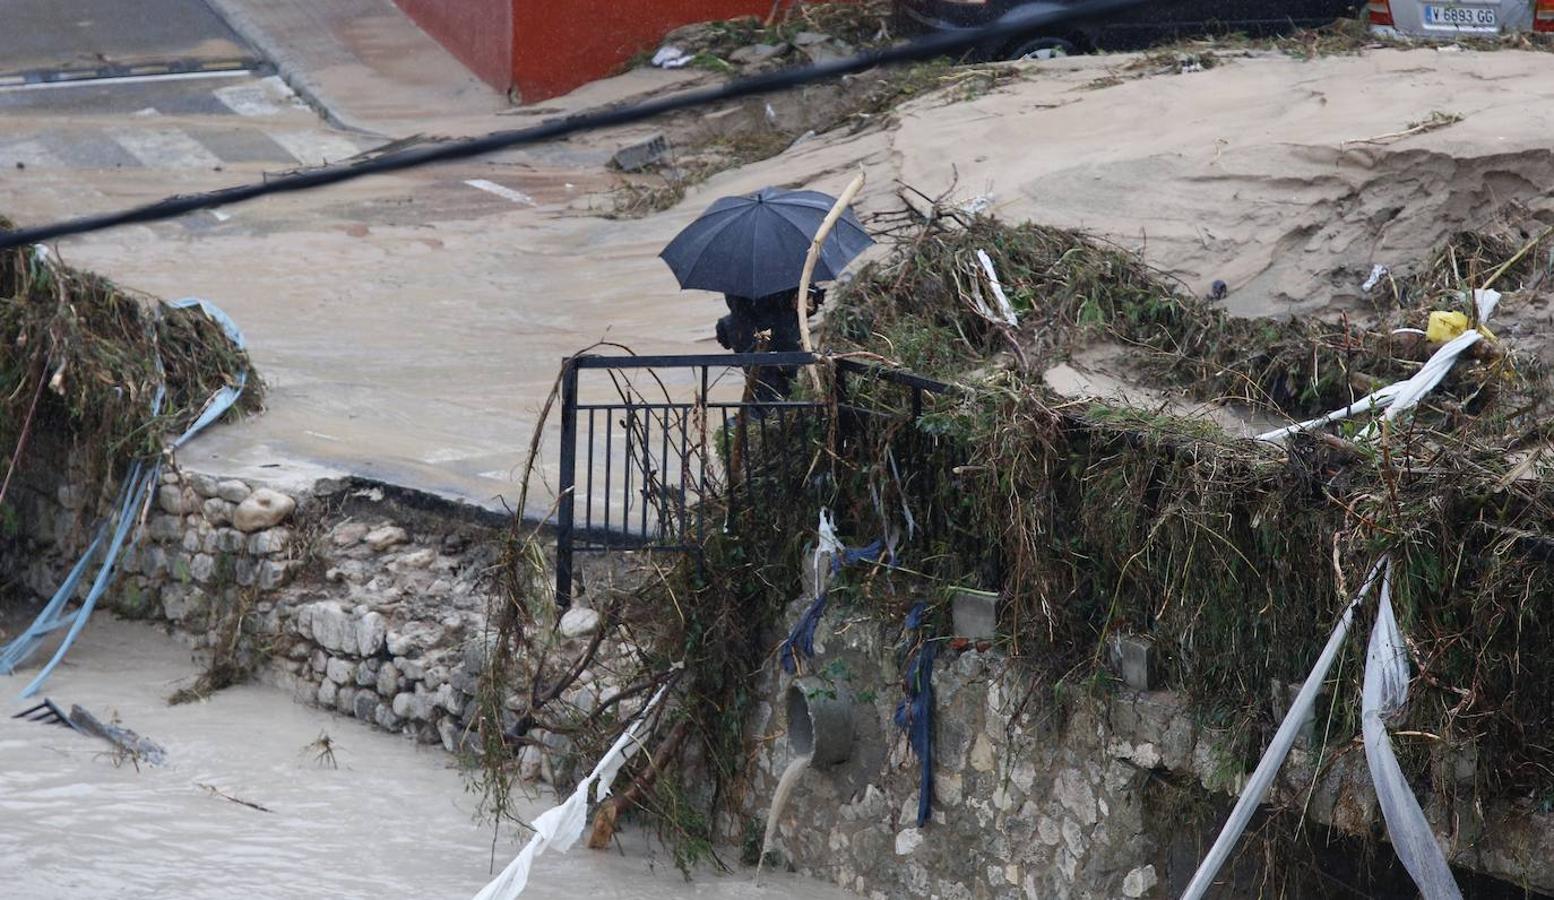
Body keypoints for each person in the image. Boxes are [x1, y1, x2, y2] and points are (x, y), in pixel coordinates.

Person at [715, 285, 825, 402]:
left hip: (777, 343)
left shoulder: (740, 279)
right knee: (770, 393)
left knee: (771, 392)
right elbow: (741, 306)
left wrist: (808, 299)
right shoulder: (750, 284)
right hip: (770, 342)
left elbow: (803, 302)